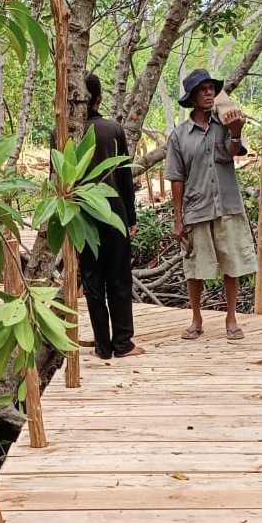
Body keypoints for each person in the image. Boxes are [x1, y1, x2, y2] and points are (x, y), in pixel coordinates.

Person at [165, 68, 255, 341]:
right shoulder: (180, 136)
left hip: (227, 204)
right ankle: (196, 319)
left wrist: (236, 132)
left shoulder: (226, 123)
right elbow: (177, 178)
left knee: (231, 262)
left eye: (211, 89)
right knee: (195, 267)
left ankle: (231, 318)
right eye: (202, 90)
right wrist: (178, 219)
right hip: (197, 206)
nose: (208, 93)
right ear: (192, 98)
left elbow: (230, 154)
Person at [75, 73, 143, 359]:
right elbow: (125, 176)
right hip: (114, 215)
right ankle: (123, 344)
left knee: (92, 281)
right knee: (119, 278)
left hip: (81, 217)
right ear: (99, 98)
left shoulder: (63, 133)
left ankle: (103, 346)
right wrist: (131, 218)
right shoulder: (113, 129)